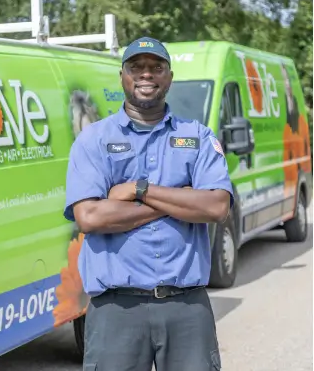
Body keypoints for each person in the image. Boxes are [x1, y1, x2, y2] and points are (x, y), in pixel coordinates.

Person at [64, 36, 233, 371]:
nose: (146, 74)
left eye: (156, 67)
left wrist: (139, 189)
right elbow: (91, 216)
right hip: (116, 312)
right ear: (123, 77)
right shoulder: (93, 140)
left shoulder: (197, 136)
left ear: (169, 77)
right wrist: (180, 198)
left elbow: (216, 207)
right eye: (136, 67)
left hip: (186, 308)